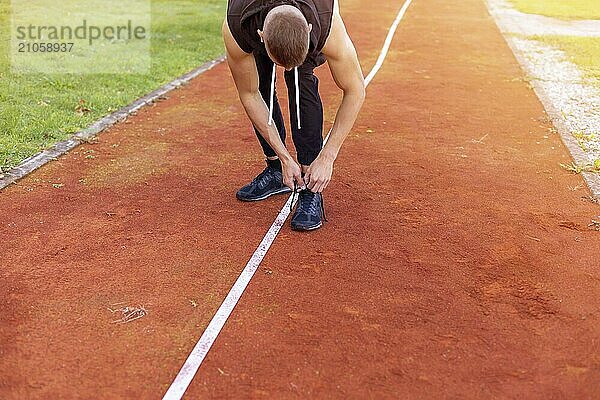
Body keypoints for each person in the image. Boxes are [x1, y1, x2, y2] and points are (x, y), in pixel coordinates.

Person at [223, 0, 365, 230]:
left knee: (301, 81)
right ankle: (276, 170)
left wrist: (327, 158)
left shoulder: (326, 21)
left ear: (309, 29)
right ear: (261, 35)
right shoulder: (238, 26)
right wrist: (283, 158)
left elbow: (355, 89)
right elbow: (249, 94)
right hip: (257, 22)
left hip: (306, 16)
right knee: (260, 83)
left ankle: (311, 184)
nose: (286, 68)